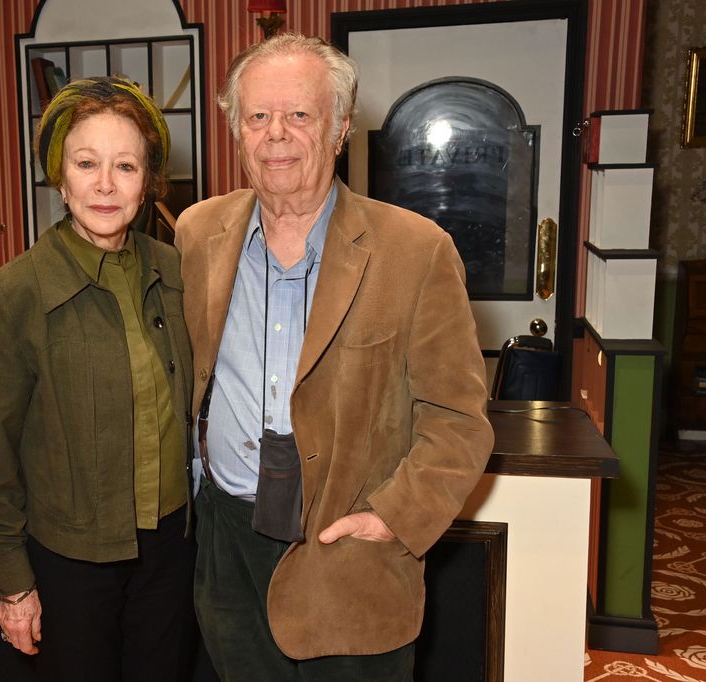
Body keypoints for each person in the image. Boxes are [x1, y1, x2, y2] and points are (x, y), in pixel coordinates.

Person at [174, 34, 495, 681]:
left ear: (340, 127)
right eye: (257, 117)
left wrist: (392, 518)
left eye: (300, 115)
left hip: (349, 556)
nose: (276, 135)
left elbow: (459, 421)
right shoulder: (195, 234)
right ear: (236, 130)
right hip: (228, 548)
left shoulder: (415, 250)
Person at [0, 76, 196, 681]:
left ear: (147, 181)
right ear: (59, 176)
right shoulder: (16, 292)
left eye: (125, 166)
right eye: (86, 163)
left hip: (171, 547)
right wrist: (14, 585)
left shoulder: (174, 268)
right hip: (71, 560)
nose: (104, 184)